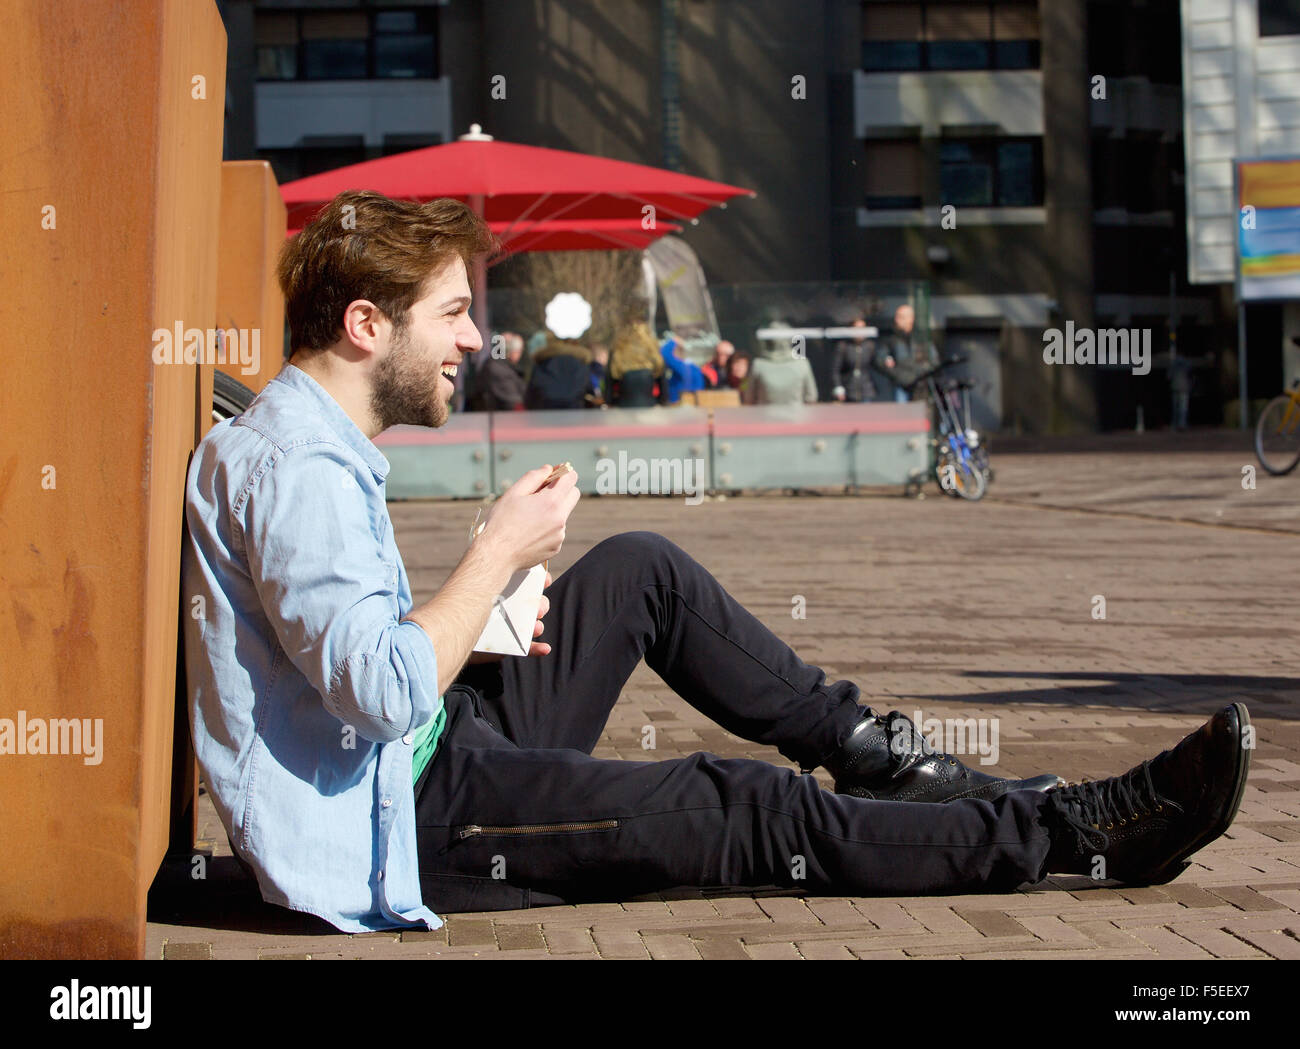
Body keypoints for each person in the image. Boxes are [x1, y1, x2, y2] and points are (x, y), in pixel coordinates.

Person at [183, 189, 1254, 934]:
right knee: (746, 807)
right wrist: (497, 552)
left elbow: (352, 660)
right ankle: (1071, 828)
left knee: (639, 567)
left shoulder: (309, 448)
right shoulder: (297, 468)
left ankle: (902, 768)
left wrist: (478, 614)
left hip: (429, 747)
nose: (475, 342)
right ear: (368, 325)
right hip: (415, 819)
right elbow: (376, 690)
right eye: (455, 313)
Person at [872, 304, 937, 403]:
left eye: (902, 317)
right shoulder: (891, 340)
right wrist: (897, 374)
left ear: (911, 318)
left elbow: (934, 361)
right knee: (901, 415)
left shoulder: (922, 340)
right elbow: (880, 360)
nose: (897, 320)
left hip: (921, 386)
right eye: (897, 317)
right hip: (900, 385)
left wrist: (922, 374)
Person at [744, 328, 819, 405]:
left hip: (764, 415)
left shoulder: (758, 364)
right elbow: (811, 397)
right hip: (797, 415)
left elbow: (749, 398)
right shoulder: (802, 364)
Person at [607, 319, 665, 407]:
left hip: (624, 406)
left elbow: (609, 383)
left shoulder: (617, 352)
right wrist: (662, 401)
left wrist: (610, 401)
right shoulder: (653, 352)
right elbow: (662, 384)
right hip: (649, 405)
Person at [468, 331, 526, 411]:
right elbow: (513, 403)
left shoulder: (498, 366)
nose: (520, 354)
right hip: (500, 420)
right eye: (519, 350)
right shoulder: (498, 370)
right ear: (510, 351)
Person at [830, 317, 877, 403]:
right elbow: (835, 370)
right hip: (849, 389)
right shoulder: (843, 346)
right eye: (857, 329)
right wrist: (838, 387)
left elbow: (877, 363)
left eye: (863, 329)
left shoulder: (870, 346)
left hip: (866, 390)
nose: (860, 332)